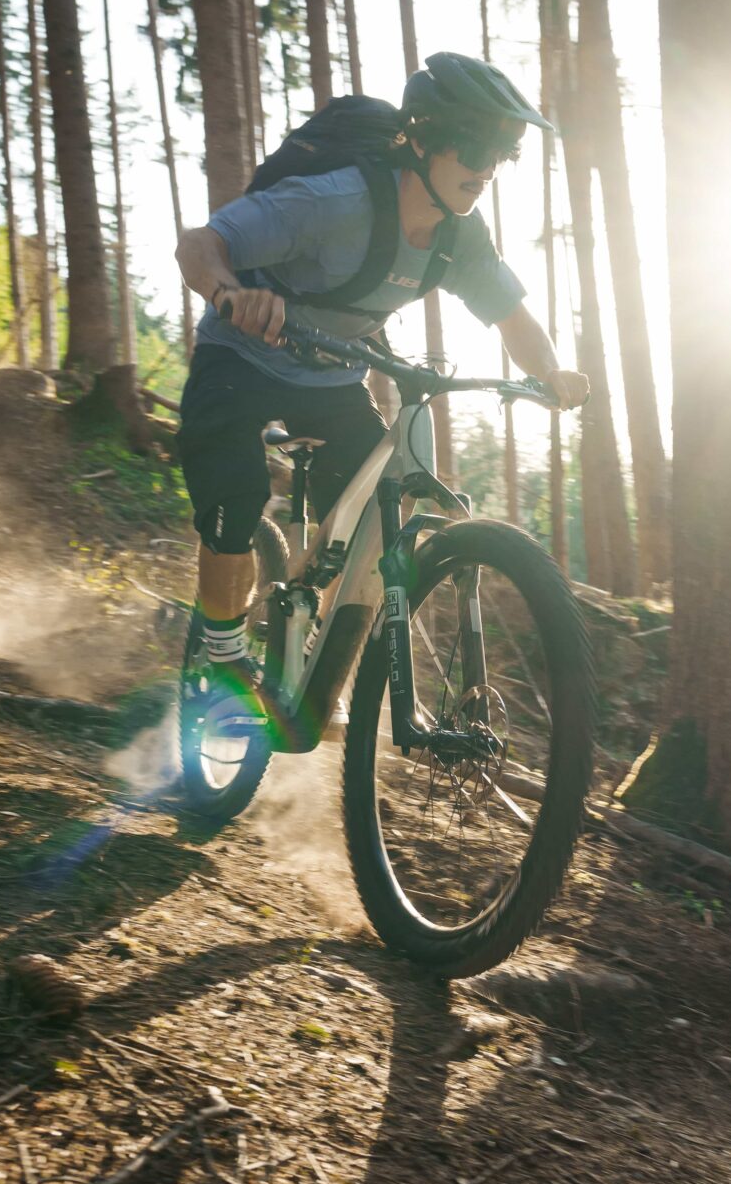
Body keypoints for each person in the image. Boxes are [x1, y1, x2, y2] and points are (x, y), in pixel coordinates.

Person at [171, 53, 588, 725]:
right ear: (420, 138)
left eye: (502, 153)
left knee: (376, 524)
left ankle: (300, 635)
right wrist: (230, 294)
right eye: (475, 145)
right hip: (243, 356)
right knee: (236, 495)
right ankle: (221, 655)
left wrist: (550, 372)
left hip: (335, 374)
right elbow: (200, 244)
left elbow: (512, 316)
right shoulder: (332, 201)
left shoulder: (459, 238)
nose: (485, 168)